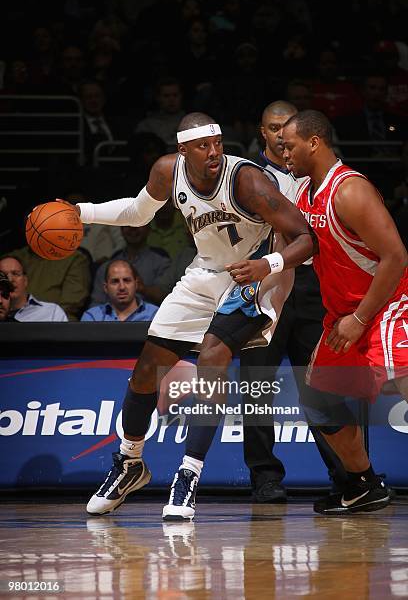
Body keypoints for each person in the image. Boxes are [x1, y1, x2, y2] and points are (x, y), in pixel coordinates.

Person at [69, 111, 316, 518]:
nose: (214, 152)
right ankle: (130, 462)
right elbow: (136, 213)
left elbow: (307, 238)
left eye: (218, 143)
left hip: (255, 277)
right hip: (204, 274)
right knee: (148, 366)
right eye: (203, 146)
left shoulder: (247, 180)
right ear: (183, 150)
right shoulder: (168, 171)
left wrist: (268, 265)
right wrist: (80, 211)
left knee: (213, 355)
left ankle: (189, 474)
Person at [281, 109, 408, 514]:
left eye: (289, 145)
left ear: (314, 142)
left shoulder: (350, 190)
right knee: (318, 397)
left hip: (384, 307)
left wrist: (359, 319)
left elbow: (396, 256)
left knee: (404, 384)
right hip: (342, 316)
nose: (284, 153)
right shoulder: (304, 194)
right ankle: (364, 484)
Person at [241, 101, 348, 503]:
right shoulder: (246, 176)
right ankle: (264, 477)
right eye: (273, 128)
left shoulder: (317, 175)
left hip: (311, 288)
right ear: (262, 133)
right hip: (265, 287)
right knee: (256, 387)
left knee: (323, 385)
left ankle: (347, 475)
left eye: (287, 128)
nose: (281, 136)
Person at [5, 247, 90, 321]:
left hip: (53, 321)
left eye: (15, 274)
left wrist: (38, 315)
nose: (10, 279)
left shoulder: (74, 258)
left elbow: (71, 303)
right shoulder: (14, 257)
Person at [81, 259, 158, 322]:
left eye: (127, 280)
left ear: (136, 285)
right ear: (106, 288)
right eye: (115, 281)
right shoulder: (92, 317)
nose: (122, 287)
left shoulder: (155, 315)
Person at [0, 256, 68, 321]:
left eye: (15, 274)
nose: (10, 279)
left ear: (25, 280)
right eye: (3, 275)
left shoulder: (52, 312)